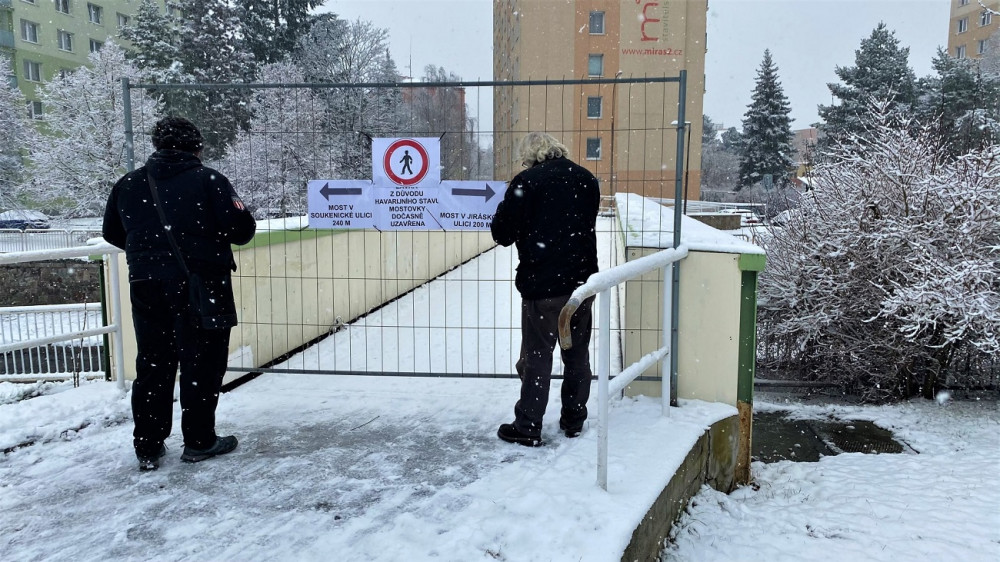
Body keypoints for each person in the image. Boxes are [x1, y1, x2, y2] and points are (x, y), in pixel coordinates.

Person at [103, 116, 256, 471]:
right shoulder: (210, 181)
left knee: (153, 362)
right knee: (202, 362)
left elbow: (112, 232)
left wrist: (151, 255)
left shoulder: (128, 184)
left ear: (157, 145)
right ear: (197, 147)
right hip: (202, 284)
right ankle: (199, 441)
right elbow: (242, 230)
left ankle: (148, 445)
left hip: (146, 284)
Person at [490, 132, 601, 446]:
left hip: (543, 286)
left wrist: (507, 213)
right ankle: (574, 419)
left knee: (537, 356)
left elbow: (503, 233)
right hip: (582, 284)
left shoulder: (527, 182)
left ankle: (528, 425)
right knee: (576, 353)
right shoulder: (586, 178)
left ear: (529, 156)